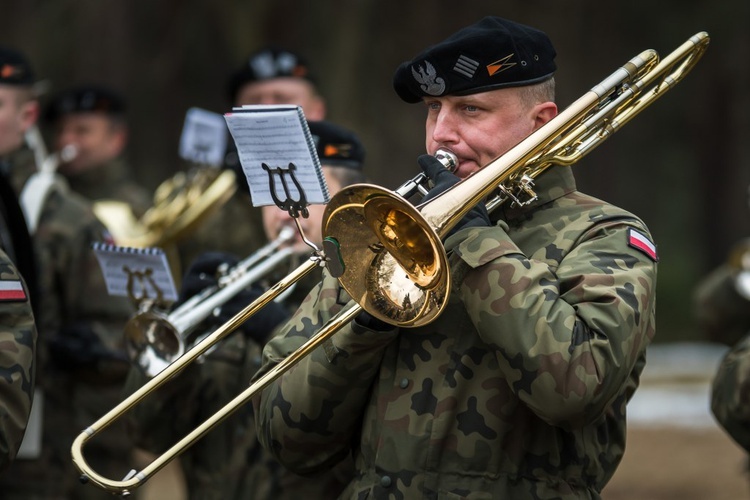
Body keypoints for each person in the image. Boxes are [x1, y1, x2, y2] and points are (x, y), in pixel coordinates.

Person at [252, 16, 658, 499]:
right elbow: (287, 438)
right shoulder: (382, 231)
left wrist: (474, 240)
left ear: (543, 122)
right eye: (432, 109)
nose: (441, 132)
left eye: (470, 109)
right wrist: (369, 322)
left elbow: (575, 389)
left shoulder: (606, 233)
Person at [123, 120, 365, 499]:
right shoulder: (236, 288)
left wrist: (275, 329)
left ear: (345, 198)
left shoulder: (367, 300)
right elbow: (149, 433)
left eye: (304, 191)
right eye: (272, 192)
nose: (284, 211)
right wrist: (178, 344)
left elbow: (349, 433)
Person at [0, 46, 136, 499]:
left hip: (40, 461)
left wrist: (87, 346)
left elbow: (124, 334)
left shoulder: (73, 220)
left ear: (27, 116)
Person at [176, 45, 327, 274]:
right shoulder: (204, 192)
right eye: (254, 100)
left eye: (281, 98)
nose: (265, 109)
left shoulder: (341, 185)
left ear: (316, 111)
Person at [43, 84, 152, 217]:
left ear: (117, 139)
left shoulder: (137, 210)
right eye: (60, 131)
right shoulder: (44, 201)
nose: (65, 141)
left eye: (82, 130)